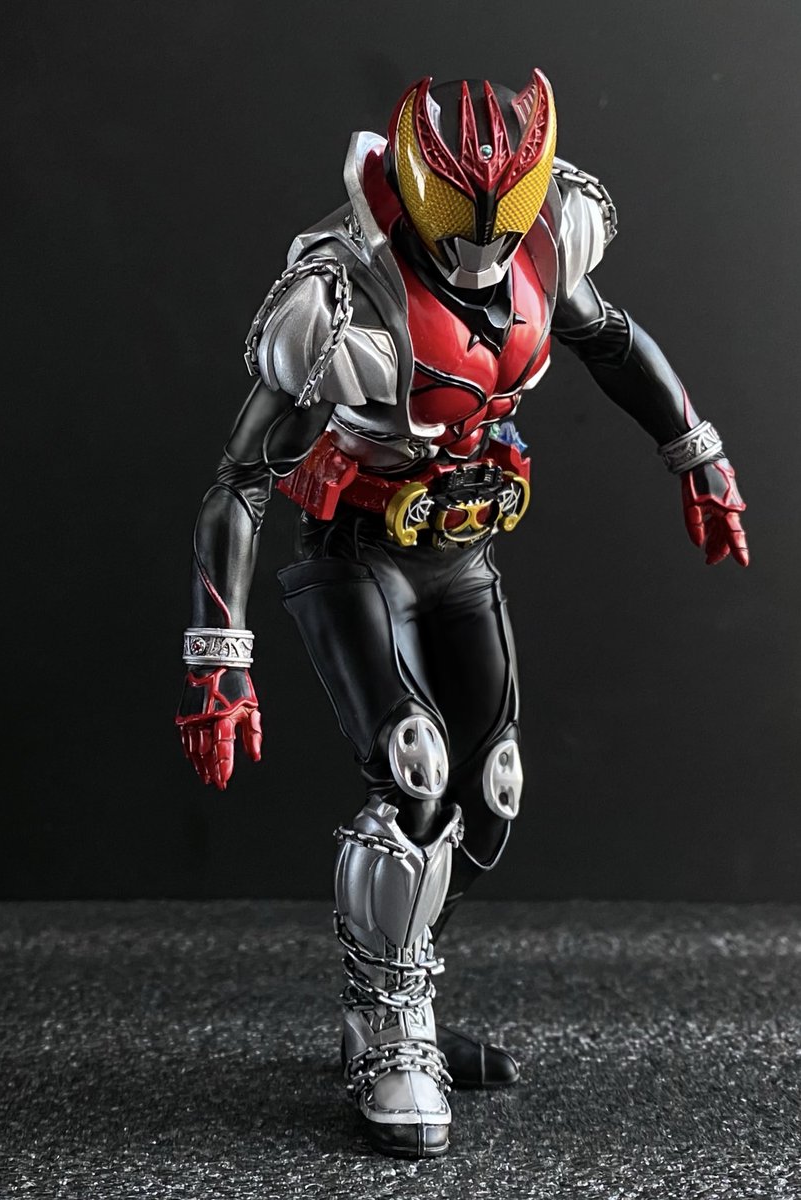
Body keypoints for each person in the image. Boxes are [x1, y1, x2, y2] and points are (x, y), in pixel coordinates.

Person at [175, 72, 749, 1159]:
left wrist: (695, 451)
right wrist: (220, 656)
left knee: (490, 797)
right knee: (416, 774)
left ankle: (392, 994)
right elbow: (240, 479)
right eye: (461, 225)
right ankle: (393, 1028)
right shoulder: (343, 293)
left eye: (504, 225)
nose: (483, 251)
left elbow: (611, 339)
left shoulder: (546, 249)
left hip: (463, 554)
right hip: (359, 555)